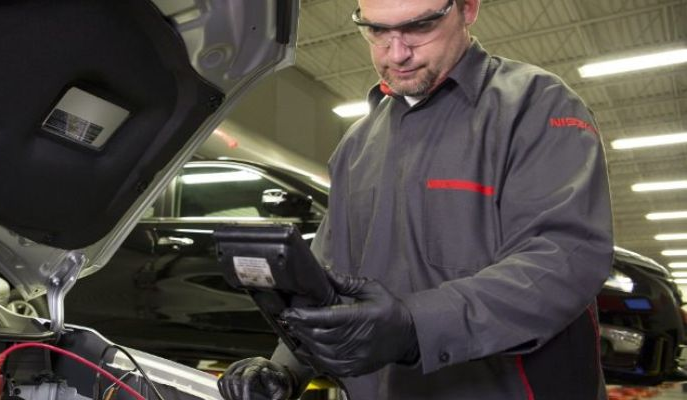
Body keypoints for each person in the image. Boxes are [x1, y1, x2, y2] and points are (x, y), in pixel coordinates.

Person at [217, 0, 613, 398]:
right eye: (377, 31)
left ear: (468, 9)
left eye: (420, 27)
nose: (397, 53)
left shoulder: (535, 105)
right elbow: (328, 276)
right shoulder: (356, 145)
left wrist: (415, 326)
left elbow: (564, 258)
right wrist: (287, 367)